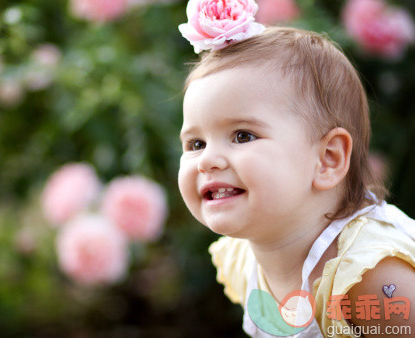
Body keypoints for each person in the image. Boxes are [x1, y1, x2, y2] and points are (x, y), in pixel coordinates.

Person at [177, 0, 415, 337]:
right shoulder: (244, 258)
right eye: (196, 144)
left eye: (242, 135)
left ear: (328, 159)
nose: (207, 160)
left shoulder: (368, 276)